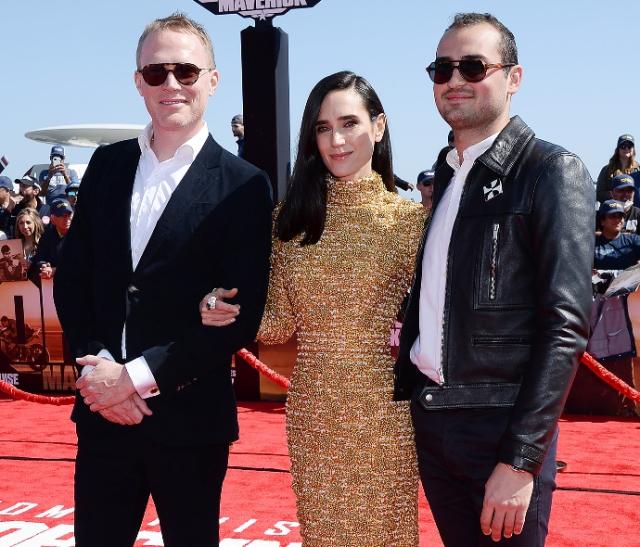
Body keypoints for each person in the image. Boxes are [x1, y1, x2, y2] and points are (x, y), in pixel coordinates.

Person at [53, 12, 272, 547]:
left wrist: (133, 379)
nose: (171, 85)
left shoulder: (243, 185)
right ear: (138, 82)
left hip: (189, 419)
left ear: (212, 82)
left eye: (186, 72)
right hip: (102, 411)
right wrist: (99, 370)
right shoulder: (106, 166)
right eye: (156, 73)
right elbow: (74, 280)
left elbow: (238, 317)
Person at [201, 71, 426, 545]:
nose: (337, 139)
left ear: (379, 127)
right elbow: (278, 325)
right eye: (323, 128)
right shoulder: (291, 218)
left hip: (384, 411)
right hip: (313, 411)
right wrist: (218, 307)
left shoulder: (410, 223)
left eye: (349, 123)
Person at [395, 13, 594, 546]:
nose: (455, 79)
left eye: (473, 66)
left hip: (500, 430)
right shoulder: (447, 177)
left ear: (514, 78)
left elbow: (568, 324)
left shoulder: (551, 171)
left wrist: (521, 457)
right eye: (442, 69)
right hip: (434, 423)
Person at [28, 199, 74, 285]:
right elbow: (39, 257)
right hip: (54, 287)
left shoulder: (81, 235)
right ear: (52, 219)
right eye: (62, 215)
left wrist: (55, 270)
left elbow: (81, 263)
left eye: (69, 214)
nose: (66, 218)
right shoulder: (47, 235)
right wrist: (43, 266)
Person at [594, 200, 640, 271]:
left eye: (620, 216)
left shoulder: (633, 240)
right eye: (612, 216)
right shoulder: (592, 243)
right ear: (602, 221)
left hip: (627, 281)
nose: (618, 220)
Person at [596, 134, 640, 205]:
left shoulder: (638, 170)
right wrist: (613, 195)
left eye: (629, 146)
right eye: (623, 146)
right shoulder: (607, 170)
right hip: (614, 213)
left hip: (634, 212)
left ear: (633, 149)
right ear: (618, 149)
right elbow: (598, 194)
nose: (626, 149)